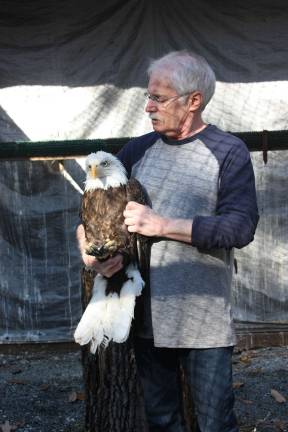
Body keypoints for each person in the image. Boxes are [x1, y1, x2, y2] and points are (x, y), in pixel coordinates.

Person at [77, 50, 259, 432]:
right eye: (148, 97)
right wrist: (91, 251)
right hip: (143, 318)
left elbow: (240, 228)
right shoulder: (137, 151)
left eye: (158, 98)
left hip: (202, 320)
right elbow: (89, 212)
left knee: (215, 424)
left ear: (193, 101)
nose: (148, 107)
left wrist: (161, 225)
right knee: (162, 421)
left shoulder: (228, 152)